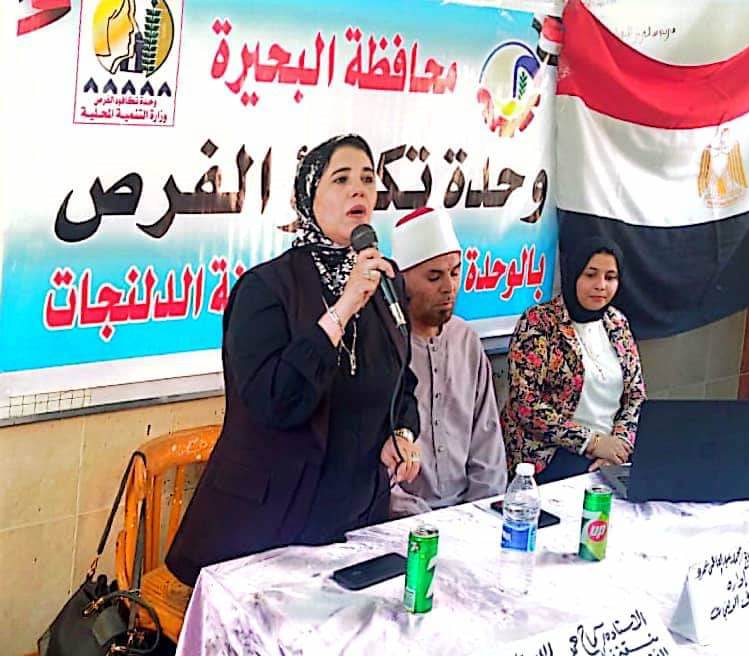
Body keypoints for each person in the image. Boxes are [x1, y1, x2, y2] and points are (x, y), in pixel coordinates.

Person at [166, 135, 421, 586]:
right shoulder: (265, 289)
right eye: (340, 179)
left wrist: (400, 434)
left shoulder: (385, 284)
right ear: (308, 196)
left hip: (354, 523)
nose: (358, 190)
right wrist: (342, 309)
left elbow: (402, 384)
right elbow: (274, 403)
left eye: (367, 179)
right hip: (266, 528)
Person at [388, 208, 507, 515]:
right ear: (402, 280)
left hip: (471, 515)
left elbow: (487, 441)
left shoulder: (467, 341)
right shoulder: (381, 346)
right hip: (399, 520)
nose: (449, 287)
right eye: (434, 277)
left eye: (455, 273)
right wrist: (420, 520)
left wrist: (479, 513)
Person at [501, 236, 646, 483]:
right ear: (573, 274)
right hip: (552, 456)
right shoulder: (539, 323)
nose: (601, 285)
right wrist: (591, 442)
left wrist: (619, 445)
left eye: (610, 277)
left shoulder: (617, 323)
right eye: (590, 275)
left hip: (611, 452)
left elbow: (635, 395)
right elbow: (524, 404)